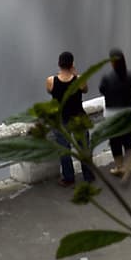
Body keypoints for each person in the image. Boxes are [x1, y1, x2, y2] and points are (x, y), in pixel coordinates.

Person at [47, 50, 96, 187]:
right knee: (84, 147)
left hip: (61, 119)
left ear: (59, 64)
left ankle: (68, 178)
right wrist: (75, 73)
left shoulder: (51, 81)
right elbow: (85, 90)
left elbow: (50, 91)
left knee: (64, 149)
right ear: (72, 64)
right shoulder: (79, 80)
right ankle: (88, 175)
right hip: (79, 117)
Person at [98, 47, 131, 180]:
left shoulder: (107, 78)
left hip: (113, 115)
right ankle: (130, 165)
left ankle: (119, 167)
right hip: (128, 113)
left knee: (115, 141)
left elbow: (102, 90)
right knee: (128, 139)